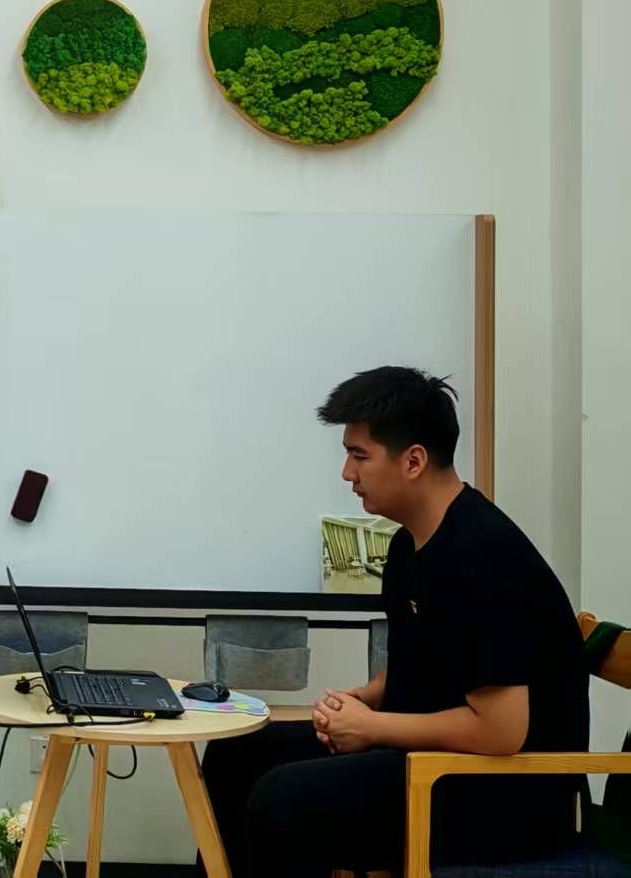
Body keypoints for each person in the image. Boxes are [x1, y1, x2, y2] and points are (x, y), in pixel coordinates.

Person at [200, 367, 589, 877]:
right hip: (442, 761)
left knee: (283, 800)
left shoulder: (484, 556)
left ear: (413, 461)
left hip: (506, 793)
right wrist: (365, 699)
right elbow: (427, 662)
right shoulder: (409, 546)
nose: (347, 473)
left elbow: (501, 730)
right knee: (236, 754)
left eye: (359, 456)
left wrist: (372, 728)